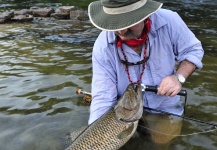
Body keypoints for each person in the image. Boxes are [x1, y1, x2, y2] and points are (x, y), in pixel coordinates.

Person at [87, 0, 204, 148]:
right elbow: (103, 99)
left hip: (163, 108)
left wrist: (178, 77)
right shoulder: (102, 47)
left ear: (144, 15)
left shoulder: (170, 21)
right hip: (124, 112)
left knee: (161, 143)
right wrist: (94, 139)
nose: (122, 31)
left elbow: (193, 50)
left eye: (128, 23)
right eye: (116, 24)